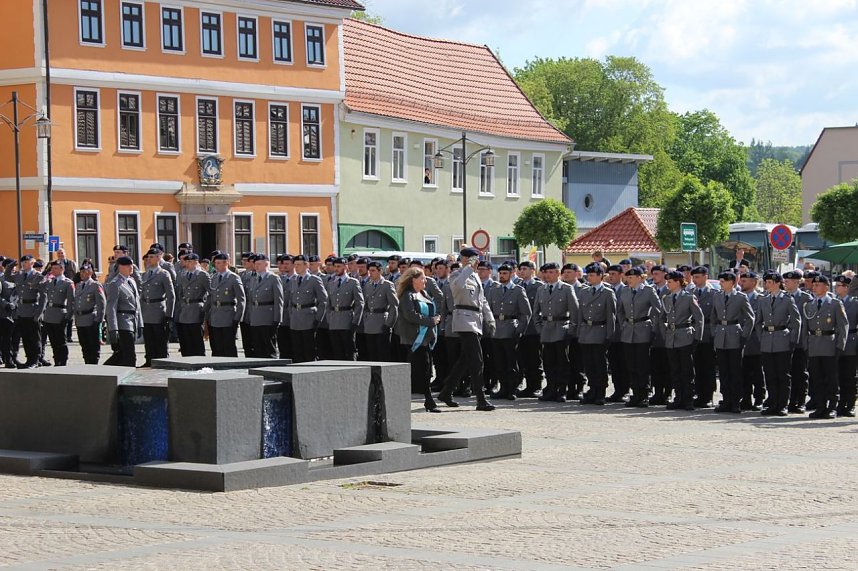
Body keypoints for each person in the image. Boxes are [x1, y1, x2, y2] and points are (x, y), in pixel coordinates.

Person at [435, 247, 496, 411]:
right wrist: (468, 268)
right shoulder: (457, 274)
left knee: (464, 360)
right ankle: (481, 400)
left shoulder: (475, 276)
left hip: (476, 319)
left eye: (476, 260)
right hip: (463, 318)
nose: (476, 263)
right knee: (477, 360)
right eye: (472, 259)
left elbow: (482, 301)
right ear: (464, 259)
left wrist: (490, 319)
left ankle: (446, 392)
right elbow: (457, 286)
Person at [616, 266, 663, 407]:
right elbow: (620, 311)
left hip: (643, 329)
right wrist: (623, 324)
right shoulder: (625, 291)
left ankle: (644, 394)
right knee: (631, 364)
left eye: (631, 277)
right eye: (627, 277)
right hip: (628, 331)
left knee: (642, 364)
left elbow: (658, 310)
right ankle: (635, 393)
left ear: (639, 278)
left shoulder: (648, 291)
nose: (628, 280)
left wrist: (653, 327)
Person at [803, 275, 848, 419]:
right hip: (814, 345)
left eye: (818, 285)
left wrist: (840, 346)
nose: (814, 287)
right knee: (816, 378)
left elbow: (843, 326)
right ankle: (820, 407)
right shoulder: (809, 304)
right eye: (814, 285)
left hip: (829, 343)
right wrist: (805, 345)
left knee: (831, 379)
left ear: (826, 287)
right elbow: (805, 327)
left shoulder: (834, 303)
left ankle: (832, 407)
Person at [396, 267, 441, 412]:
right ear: (413, 279)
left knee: (426, 370)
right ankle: (429, 401)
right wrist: (430, 321)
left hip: (426, 338)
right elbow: (411, 316)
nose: (425, 281)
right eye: (422, 278)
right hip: (413, 338)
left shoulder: (423, 293)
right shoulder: (407, 296)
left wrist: (435, 319)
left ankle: (428, 400)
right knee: (420, 369)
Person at [756, 271, 800, 416]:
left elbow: (796, 321)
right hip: (767, 340)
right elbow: (758, 321)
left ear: (777, 283)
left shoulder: (787, 299)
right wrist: (761, 337)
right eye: (766, 282)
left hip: (782, 338)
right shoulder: (763, 299)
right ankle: (773, 403)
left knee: (783, 375)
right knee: (770, 374)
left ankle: (782, 405)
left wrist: (792, 340)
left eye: (769, 282)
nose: (766, 285)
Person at [533, 262, 578, 402]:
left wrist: (570, 330)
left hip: (561, 328)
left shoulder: (566, 288)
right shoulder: (541, 289)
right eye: (546, 272)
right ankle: (551, 389)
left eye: (551, 272)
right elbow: (535, 312)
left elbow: (575, 312)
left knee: (562, 362)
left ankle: (562, 390)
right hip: (546, 329)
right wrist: (540, 328)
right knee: (548, 362)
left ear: (558, 273)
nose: (547, 275)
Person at [711, 271, 755, 414]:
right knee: (723, 371)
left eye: (723, 281)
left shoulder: (740, 297)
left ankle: (736, 401)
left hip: (734, 334)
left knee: (735, 371)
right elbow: (713, 317)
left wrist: (744, 336)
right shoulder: (717, 295)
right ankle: (726, 399)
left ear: (731, 282)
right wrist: (714, 332)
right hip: (721, 335)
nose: (721, 283)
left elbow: (750, 318)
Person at [486, 263, 532, 400]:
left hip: (511, 328)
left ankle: (512, 388)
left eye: (505, 273)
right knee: (499, 362)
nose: (502, 276)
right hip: (496, 330)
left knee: (511, 362)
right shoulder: (494, 290)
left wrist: (519, 330)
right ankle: (503, 387)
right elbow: (487, 310)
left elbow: (526, 313)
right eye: (500, 273)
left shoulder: (518, 290)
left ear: (512, 274)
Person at [660, 270, 704, 410]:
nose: (668, 284)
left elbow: (699, 318)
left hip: (685, 335)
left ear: (678, 282)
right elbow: (662, 318)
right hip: (671, 337)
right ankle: (678, 397)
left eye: (670, 282)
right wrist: (664, 334)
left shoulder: (688, 297)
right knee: (675, 370)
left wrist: (697, 337)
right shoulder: (666, 298)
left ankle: (688, 399)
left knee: (687, 370)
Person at [577, 263, 617, 405]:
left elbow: (611, 316)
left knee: (600, 364)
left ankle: (600, 391)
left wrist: (609, 335)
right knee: (589, 364)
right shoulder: (584, 292)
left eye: (593, 275)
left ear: (601, 276)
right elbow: (580, 314)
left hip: (600, 331)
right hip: (586, 331)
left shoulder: (607, 292)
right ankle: (592, 389)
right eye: (588, 275)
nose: (590, 277)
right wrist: (579, 333)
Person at [5, 255, 45, 368]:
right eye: (23, 262)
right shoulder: (19, 275)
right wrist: (12, 264)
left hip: (33, 309)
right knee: (26, 337)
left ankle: (35, 360)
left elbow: (43, 296)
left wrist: (39, 313)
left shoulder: (37, 276)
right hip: (22, 310)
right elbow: (8, 276)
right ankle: (29, 360)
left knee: (34, 337)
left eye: (26, 262)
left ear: (32, 263)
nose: (24, 264)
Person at [288, 255, 328, 363]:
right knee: (297, 349)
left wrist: (318, 318)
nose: (296, 267)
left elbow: (323, 300)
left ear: (306, 265)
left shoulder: (314, 280)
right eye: (295, 264)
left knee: (308, 349)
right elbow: (290, 300)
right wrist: (291, 314)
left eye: (299, 265)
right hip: (295, 318)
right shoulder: (294, 279)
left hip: (309, 318)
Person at [139, 248, 175, 367]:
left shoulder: (163, 274)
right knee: (148, 339)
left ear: (159, 257)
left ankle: (162, 361)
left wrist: (169, 315)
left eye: (152, 257)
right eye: (148, 257)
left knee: (160, 339)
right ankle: (149, 360)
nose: (149, 259)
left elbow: (171, 296)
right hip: (146, 310)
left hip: (158, 310)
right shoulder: (145, 274)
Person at [205, 253, 245, 357]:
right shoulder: (213, 277)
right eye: (215, 263)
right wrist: (206, 313)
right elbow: (210, 297)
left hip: (228, 315)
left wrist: (237, 318)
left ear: (226, 263)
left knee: (228, 345)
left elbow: (241, 299)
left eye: (219, 263)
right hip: (215, 315)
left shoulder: (233, 278)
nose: (216, 265)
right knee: (216, 345)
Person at [104, 256, 142, 367]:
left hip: (132, 321)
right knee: (129, 356)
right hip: (123, 322)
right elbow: (111, 308)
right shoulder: (115, 284)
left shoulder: (131, 282)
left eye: (131, 265)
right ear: (120, 267)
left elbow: (137, 304)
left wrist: (140, 324)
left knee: (122, 354)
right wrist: (113, 329)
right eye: (127, 265)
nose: (131, 267)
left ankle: (105, 372)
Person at [783, 270, 812, 413]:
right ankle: (789, 400)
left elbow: (809, 321)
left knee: (800, 373)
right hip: (784, 341)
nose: (785, 283)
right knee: (787, 372)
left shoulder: (806, 298)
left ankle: (800, 401)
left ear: (796, 282)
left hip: (800, 342)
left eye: (788, 281)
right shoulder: (782, 297)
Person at [325, 257, 364, 361]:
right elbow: (328, 303)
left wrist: (355, 321)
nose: (336, 269)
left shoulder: (352, 282)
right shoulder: (331, 282)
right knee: (337, 351)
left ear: (345, 267)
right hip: (334, 321)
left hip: (347, 320)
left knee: (349, 350)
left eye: (339, 266)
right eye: (335, 266)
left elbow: (360, 303)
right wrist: (329, 318)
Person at [246, 254, 283, 359]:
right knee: (257, 347)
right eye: (255, 264)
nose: (256, 266)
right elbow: (251, 300)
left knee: (269, 346)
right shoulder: (254, 278)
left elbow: (279, 300)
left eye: (259, 264)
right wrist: (250, 316)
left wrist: (277, 319)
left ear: (266, 264)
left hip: (268, 317)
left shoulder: (273, 278)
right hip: (255, 318)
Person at [690, 266, 717, 408]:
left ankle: (708, 395)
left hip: (707, 334)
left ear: (706, 277)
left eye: (698, 277)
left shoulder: (714, 293)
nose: (695, 280)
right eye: (693, 277)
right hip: (693, 333)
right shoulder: (690, 293)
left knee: (708, 366)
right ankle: (698, 394)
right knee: (696, 366)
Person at [516, 261, 544, 398]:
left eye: (525, 269)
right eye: (520, 269)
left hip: (534, 328)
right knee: (523, 359)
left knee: (535, 359)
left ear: (533, 270)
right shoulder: (517, 286)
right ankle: (528, 386)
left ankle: (537, 386)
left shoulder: (539, 286)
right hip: (521, 328)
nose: (522, 271)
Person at [361, 261, 398, 362]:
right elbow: (365, 304)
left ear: (380, 271)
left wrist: (389, 324)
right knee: (372, 354)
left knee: (383, 354)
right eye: (369, 271)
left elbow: (394, 305)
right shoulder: (368, 285)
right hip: (370, 323)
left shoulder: (387, 285)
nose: (370, 273)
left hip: (382, 322)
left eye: (373, 271)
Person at [175, 253, 210, 357]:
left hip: (196, 308)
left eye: (190, 261)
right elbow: (180, 292)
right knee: (186, 338)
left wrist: (204, 307)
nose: (187, 264)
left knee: (196, 337)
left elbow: (210, 293)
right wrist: (182, 304)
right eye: (186, 261)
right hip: (185, 309)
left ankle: (199, 359)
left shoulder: (202, 275)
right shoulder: (183, 275)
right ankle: (187, 358)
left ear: (196, 262)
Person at [40, 261, 75, 367]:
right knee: (53, 341)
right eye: (52, 268)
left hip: (60, 314)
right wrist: (44, 273)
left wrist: (68, 317)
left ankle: (63, 361)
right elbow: (39, 285)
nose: (53, 270)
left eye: (55, 268)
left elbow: (71, 302)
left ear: (61, 269)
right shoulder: (49, 281)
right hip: (49, 315)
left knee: (61, 340)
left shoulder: (68, 283)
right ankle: (57, 360)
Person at [739, 272, 765, 410]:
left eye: (744, 281)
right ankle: (745, 398)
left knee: (757, 372)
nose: (741, 283)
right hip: (741, 340)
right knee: (743, 371)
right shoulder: (738, 298)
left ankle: (759, 399)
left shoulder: (761, 299)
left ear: (754, 283)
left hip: (755, 339)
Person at [834, 275, 858, 417]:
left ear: (847, 287)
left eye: (839, 285)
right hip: (836, 342)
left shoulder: (855, 303)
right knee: (838, 376)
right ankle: (840, 403)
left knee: (849, 376)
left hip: (851, 341)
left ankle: (850, 405)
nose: (836, 288)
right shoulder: (834, 302)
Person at [649, 265, 672, 404]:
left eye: (657, 273)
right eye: (653, 274)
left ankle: (667, 393)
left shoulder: (670, 290)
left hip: (667, 332)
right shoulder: (650, 290)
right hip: (652, 332)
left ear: (664, 274)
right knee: (655, 366)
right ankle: (657, 392)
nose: (654, 276)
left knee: (667, 365)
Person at [277, 255, 297, 361]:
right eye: (283, 263)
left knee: (294, 344)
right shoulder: (280, 278)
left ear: (293, 265)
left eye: (287, 264)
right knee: (282, 344)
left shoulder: (297, 279)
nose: (284, 266)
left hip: (294, 316)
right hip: (282, 317)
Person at [0, 260, 16, 368]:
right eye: (12, 266)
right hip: (5, 313)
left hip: (17, 312)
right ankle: (8, 359)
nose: (14, 268)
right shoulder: (1, 279)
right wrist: (6, 304)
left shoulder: (17, 278)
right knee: (6, 338)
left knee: (16, 338)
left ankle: (14, 357)